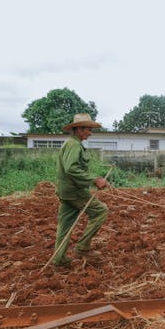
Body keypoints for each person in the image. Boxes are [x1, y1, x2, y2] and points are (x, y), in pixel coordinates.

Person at [52, 113, 110, 267]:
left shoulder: (72, 143)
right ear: (78, 129)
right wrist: (94, 179)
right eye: (88, 130)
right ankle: (82, 248)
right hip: (74, 191)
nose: (90, 133)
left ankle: (59, 260)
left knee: (65, 226)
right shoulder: (74, 145)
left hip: (66, 191)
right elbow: (71, 169)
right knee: (100, 211)